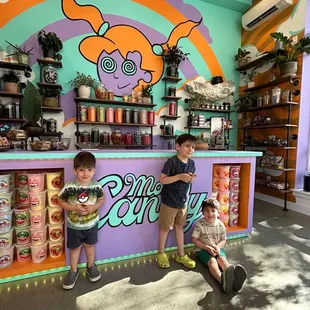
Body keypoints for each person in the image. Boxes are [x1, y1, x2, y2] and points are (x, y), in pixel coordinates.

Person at [59, 151, 104, 290]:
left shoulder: (96, 186)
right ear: (75, 170)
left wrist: (94, 207)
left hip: (91, 225)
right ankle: (73, 271)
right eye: (81, 170)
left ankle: (91, 266)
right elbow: (60, 201)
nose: (86, 173)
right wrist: (74, 208)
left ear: (94, 170)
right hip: (74, 226)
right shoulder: (70, 186)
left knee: (90, 247)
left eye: (89, 169)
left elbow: (101, 200)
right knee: (75, 249)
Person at [157, 134, 197, 269]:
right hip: (169, 201)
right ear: (178, 147)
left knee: (180, 227)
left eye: (193, 147)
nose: (190, 149)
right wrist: (179, 176)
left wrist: (191, 178)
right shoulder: (171, 162)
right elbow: (162, 180)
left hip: (183, 201)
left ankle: (181, 255)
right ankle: (161, 253)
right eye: (187, 146)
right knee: (165, 228)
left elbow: (189, 180)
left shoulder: (192, 163)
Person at [192, 198, 247, 293]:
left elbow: (223, 240)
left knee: (223, 260)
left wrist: (218, 247)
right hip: (202, 249)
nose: (210, 213)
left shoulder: (221, 224)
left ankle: (233, 278)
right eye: (207, 211)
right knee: (212, 262)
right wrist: (206, 247)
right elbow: (194, 240)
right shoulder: (199, 225)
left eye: (213, 211)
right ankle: (222, 280)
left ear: (218, 213)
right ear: (203, 212)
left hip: (217, 248)